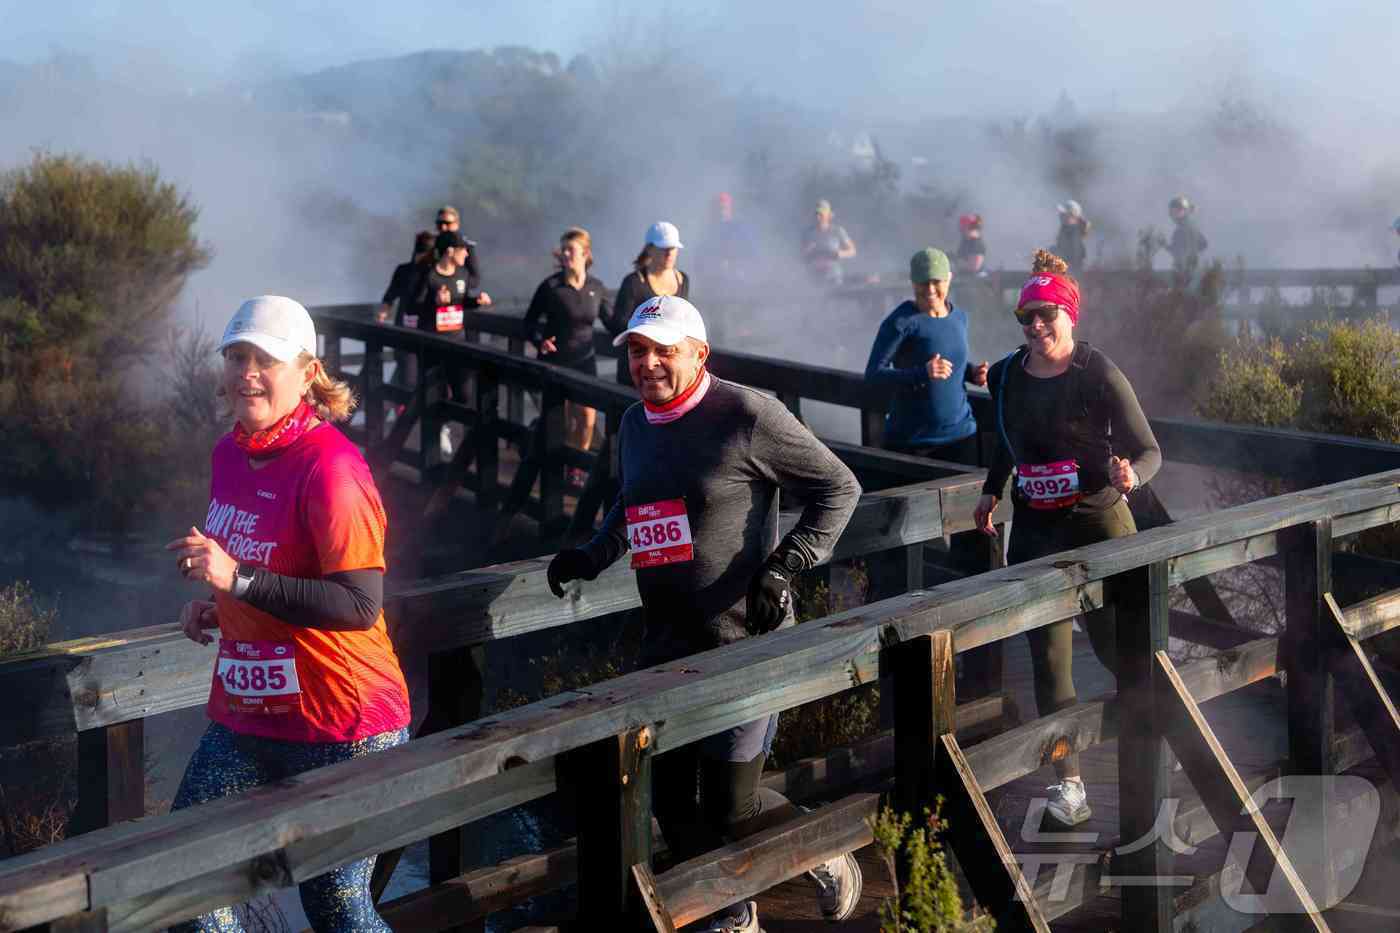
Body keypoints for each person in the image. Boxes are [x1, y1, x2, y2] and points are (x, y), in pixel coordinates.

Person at [546, 295, 864, 931]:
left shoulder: (747, 413)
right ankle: (733, 910)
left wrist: (784, 566)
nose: (649, 364)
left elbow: (840, 487)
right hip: (668, 642)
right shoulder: (635, 424)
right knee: (665, 795)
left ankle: (825, 851)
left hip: (743, 641)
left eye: (665, 350)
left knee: (731, 807)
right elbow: (631, 506)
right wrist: (594, 554)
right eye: (638, 351)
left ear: (699, 354)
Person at [164, 296, 411, 932]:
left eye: (265, 359)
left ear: (306, 373)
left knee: (337, 907)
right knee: (184, 880)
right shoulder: (230, 454)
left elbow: (358, 605)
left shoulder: (332, 469)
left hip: (345, 722)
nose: (247, 370)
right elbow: (270, 566)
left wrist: (237, 579)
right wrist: (221, 604)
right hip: (252, 712)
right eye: (236, 356)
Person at [972, 250, 1161, 828]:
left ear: (1070, 315)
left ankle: (1151, 746)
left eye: (1046, 315)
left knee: (1117, 648)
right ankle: (1071, 786)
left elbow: (1150, 450)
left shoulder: (1096, 371)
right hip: (1034, 527)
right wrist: (991, 490)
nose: (1035, 327)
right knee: (1049, 662)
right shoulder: (1005, 374)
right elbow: (1008, 437)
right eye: (1026, 317)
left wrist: (1134, 475)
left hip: (1099, 522)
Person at [865, 248, 989, 463]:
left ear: (949, 279)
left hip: (961, 437)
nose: (930, 289)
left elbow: (953, 362)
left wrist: (973, 373)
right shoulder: (901, 321)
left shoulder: (959, 318)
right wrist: (922, 373)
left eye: (936, 281)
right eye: (923, 282)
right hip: (913, 443)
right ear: (913, 283)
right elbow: (874, 376)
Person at [523, 227, 612, 478]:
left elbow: (612, 322)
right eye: (563, 249)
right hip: (556, 362)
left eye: (570, 249)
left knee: (586, 418)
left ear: (585, 253)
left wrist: (639, 329)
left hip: (585, 360)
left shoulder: (597, 287)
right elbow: (529, 322)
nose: (565, 254)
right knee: (560, 420)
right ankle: (554, 468)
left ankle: (575, 469)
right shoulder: (551, 287)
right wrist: (539, 340)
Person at [604, 221, 690, 386]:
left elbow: (683, 321)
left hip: (668, 368)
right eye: (664, 248)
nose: (669, 253)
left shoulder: (683, 280)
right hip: (637, 367)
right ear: (650, 249)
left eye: (673, 248)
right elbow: (618, 325)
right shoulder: (633, 282)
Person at [377, 230, 435, 324]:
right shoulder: (404, 270)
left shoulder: (433, 272)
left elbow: (390, 296)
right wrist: (382, 314)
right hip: (407, 322)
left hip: (424, 324)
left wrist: (383, 313)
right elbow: (390, 295)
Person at [434, 204, 486, 299]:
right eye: (439, 224)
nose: (443, 227)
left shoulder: (465, 247)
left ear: (456, 224)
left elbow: (475, 278)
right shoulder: (431, 244)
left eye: (447, 223)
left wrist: (453, 286)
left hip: (457, 299)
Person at [801, 199, 856, 287]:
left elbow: (852, 251)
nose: (818, 217)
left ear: (828, 216)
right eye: (816, 214)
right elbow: (802, 257)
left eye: (821, 214)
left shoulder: (838, 231)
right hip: (814, 277)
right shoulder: (808, 233)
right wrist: (808, 251)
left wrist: (839, 254)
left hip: (834, 277)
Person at [1167, 195, 1208, 278]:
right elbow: (1204, 244)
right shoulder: (1192, 225)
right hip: (1193, 269)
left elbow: (1177, 251)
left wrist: (1164, 245)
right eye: (1171, 211)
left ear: (1182, 211)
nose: (1171, 214)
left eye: (1174, 211)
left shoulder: (1182, 229)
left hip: (1184, 272)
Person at [1053, 200, 1090, 272]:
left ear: (1073, 216)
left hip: (1072, 272)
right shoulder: (1066, 229)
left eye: (1064, 215)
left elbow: (1075, 258)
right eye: (1061, 215)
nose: (1061, 217)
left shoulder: (1075, 233)